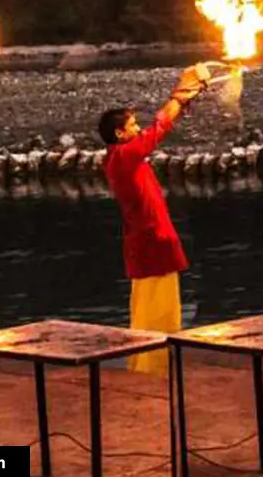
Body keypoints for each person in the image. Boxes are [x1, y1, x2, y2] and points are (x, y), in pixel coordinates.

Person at [100, 65, 207, 375]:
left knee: (146, 304)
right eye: (132, 126)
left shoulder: (119, 158)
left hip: (145, 239)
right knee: (160, 307)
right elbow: (159, 128)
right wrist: (181, 93)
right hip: (153, 239)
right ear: (120, 134)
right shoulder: (122, 157)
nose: (137, 129)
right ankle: (155, 365)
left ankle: (145, 362)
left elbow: (156, 129)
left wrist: (186, 98)